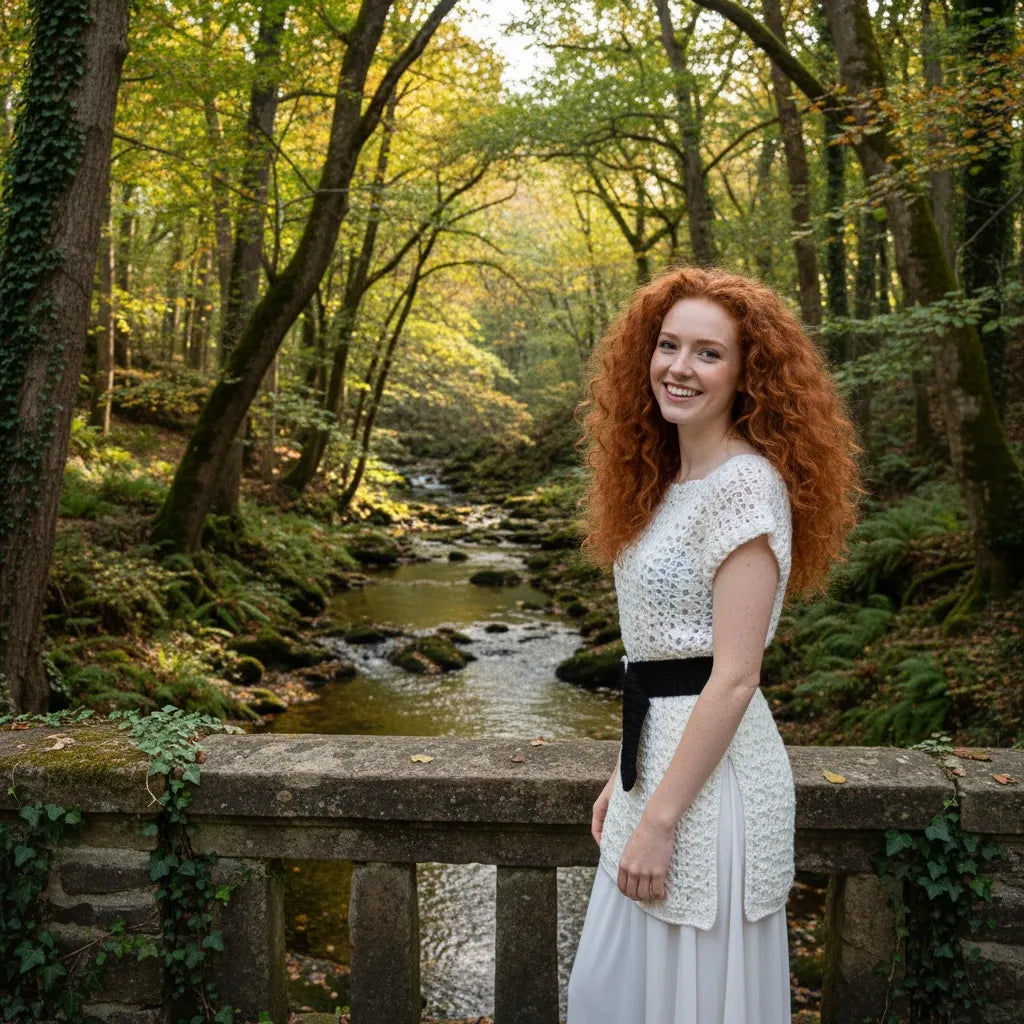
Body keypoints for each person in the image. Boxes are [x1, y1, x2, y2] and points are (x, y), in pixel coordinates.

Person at [566, 266, 859, 1024]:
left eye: (708, 353)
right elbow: (660, 659)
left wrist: (659, 819)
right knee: (611, 997)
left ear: (746, 373)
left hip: (709, 793)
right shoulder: (664, 482)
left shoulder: (744, 487)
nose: (679, 367)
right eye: (668, 345)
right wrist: (625, 775)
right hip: (657, 770)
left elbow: (731, 677)